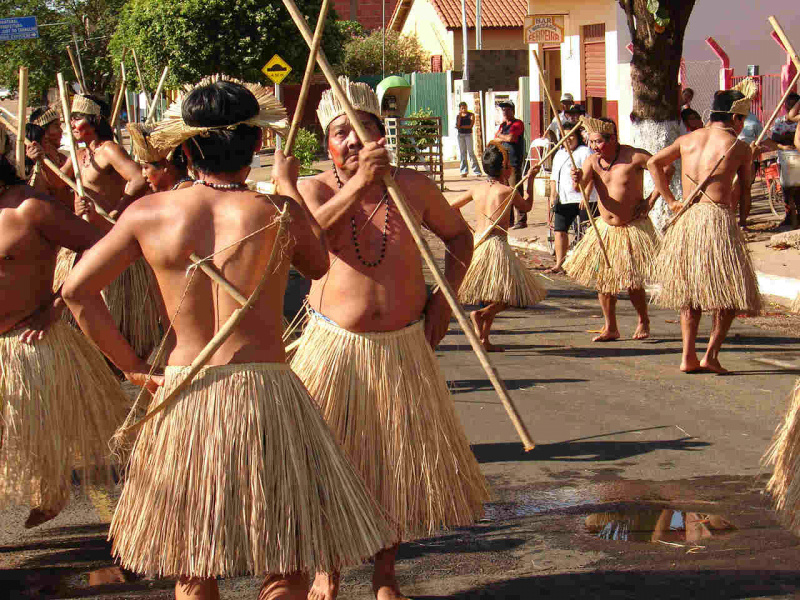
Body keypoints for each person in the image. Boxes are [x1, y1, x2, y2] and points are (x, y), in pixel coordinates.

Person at [62, 77, 395, 600]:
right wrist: (286, 188)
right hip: (267, 393)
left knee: (196, 561)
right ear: (257, 144)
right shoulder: (276, 212)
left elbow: (77, 292)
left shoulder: (149, 214)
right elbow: (315, 265)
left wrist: (132, 368)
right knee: (286, 556)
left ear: (187, 147)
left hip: (187, 391)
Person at [290, 77, 487, 600]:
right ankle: (327, 570)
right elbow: (304, 242)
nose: (354, 141)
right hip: (334, 348)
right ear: (327, 145)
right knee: (328, 463)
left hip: (403, 346)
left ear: (383, 136)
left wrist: (445, 303)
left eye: (365, 130)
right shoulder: (312, 188)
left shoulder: (414, 186)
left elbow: (459, 237)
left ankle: (385, 574)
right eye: (342, 133)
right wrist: (356, 186)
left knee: (393, 462)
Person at [0, 123, 126, 529]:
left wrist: (59, 303)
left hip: (26, 341)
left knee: (37, 441)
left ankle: (49, 488)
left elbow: (101, 247)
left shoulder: (30, 209)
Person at [647, 81, 760, 374]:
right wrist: (744, 223)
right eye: (743, 118)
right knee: (730, 295)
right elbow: (745, 192)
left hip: (688, 218)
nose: (743, 123)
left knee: (691, 293)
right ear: (736, 118)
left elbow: (653, 163)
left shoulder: (689, 139)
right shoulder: (739, 147)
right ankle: (710, 355)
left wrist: (671, 200)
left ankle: (687, 356)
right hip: (717, 221)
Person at [564, 116, 664, 342]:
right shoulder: (591, 161)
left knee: (632, 281)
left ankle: (643, 320)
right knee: (604, 281)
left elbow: (665, 170)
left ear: (613, 139)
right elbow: (580, 188)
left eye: (598, 142)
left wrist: (651, 200)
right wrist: (577, 179)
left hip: (631, 227)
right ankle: (610, 327)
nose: (593, 147)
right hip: (605, 229)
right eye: (591, 142)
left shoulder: (635, 156)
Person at [450, 143, 546, 351]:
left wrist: (470, 230)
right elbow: (527, 206)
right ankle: (482, 314)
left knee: (493, 293)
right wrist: (530, 179)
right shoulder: (507, 190)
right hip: (497, 245)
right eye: (509, 165)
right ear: (505, 169)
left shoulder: (477, 188)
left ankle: (484, 339)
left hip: (480, 243)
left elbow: (452, 207)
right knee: (511, 294)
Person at [547, 124, 599, 274]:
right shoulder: (559, 154)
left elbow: (592, 176)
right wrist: (552, 195)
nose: (567, 139)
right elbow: (553, 177)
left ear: (577, 137)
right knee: (559, 231)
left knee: (588, 232)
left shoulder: (585, 152)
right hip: (564, 198)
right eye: (564, 136)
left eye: (571, 136)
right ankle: (559, 263)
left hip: (583, 198)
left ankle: (589, 264)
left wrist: (586, 194)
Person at [24, 106, 72, 209]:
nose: (61, 131)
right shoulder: (34, 164)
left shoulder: (63, 158)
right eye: (56, 126)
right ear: (44, 132)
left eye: (60, 126)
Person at [128, 123, 193, 192]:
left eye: (145, 167)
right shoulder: (177, 191)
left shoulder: (184, 191)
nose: (143, 174)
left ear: (164, 164)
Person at [494, 100, 527, 229]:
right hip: (504, 163)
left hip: (514, 162)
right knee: (506, 192)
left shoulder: (518, 123)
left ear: (512, 111)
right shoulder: (503, 125)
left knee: (515, 191)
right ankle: (510, 220)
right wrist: (502, 136)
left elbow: (511, 138)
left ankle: (521, 219)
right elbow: (497, 138)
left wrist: (501, 136)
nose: (505, 112)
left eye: (507, 110)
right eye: (503, 110)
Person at [456, 101, 481, 177]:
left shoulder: (471, 115)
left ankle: (477, 171)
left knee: (471, 152)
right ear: (460, 109)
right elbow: (458, 125)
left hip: (468, 134)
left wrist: (462, 127)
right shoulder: (458, 116)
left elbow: (470, 126)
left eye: (465, 107)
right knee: (462, 153)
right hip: (460, 135)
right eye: (462, 108)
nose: (464, 109)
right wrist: (460, 116)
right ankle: (464, 171)